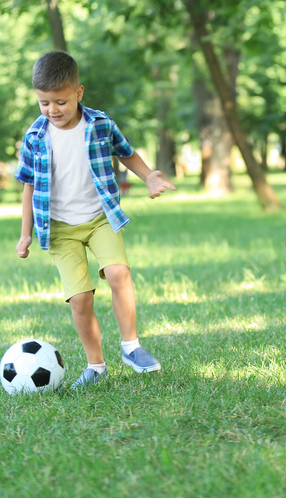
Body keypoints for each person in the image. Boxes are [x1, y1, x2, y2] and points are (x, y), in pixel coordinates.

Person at [14, 50, 176, 389]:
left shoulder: (100, 124)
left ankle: (131, 347)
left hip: (100, 217)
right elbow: (28, 186)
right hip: (59, 228)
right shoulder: (34, 136)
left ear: (78, 93)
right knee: (80, 299)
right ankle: (95, 365)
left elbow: (127, 153)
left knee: (119, 273)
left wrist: (148, 177)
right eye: (44, 103)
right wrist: (25, 234)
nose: (52, 110)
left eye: (60, 101)